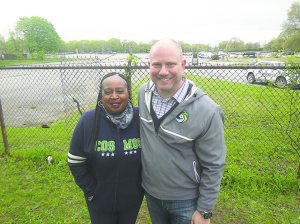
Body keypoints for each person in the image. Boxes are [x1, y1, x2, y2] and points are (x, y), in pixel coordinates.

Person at [138, 39, 226, 224]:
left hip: (186, 200)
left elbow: (214, 164)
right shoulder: (142, 94)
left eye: (170, 64)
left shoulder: (207, 111)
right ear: (149, 65)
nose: (163, 71)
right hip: (151, 193)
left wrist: (204, 210)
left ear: (183, 64)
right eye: (157, 65)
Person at [68, 72, 144, 224]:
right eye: (108, 92)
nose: (114, 96)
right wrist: (91, 192)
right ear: (101, 95)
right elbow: (75, 161)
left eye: (120, 91)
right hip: (99, 201)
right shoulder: (88, 121)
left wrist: (139, 189)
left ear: (128, 92)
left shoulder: (140, 118)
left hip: (132, 200)